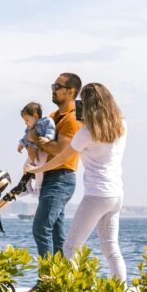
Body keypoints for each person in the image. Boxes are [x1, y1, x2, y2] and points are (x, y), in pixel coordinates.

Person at [26, 82, 127, 292]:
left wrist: (36, 169)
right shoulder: (122, 126)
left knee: (71, 248)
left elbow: (62, 158)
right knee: (112, 250)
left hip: (96, 196)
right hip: (116, 195)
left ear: (89, 106)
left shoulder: (86, 133)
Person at [28, 72, 82, 257]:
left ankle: (46, 274)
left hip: (61, 178)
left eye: (57, 87)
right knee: (57, 235)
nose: (53, 90)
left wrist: (35, 138)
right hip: (50, 177)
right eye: (53, 86)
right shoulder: (53, 116)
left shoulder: (72, 120)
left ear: (71, 91)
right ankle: (62, 273)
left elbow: (60, 150)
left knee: (41, 228)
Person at [17, 102, 56, 195]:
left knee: (39, 167)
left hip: (42, 150)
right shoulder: (30, 127)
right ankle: (27, 187)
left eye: (27, 120)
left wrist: (47, 138)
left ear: (35, 116)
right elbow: (26, 137)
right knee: (26, 166)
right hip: (33, 149)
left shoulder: (46, 121)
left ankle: (38, 188)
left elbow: (51, 130)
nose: (26, 123)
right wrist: (21, 144)